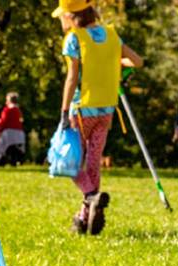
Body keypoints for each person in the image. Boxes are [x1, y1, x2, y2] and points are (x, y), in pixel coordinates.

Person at [53, 0, 142, 235]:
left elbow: (72, 78)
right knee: (93, 164)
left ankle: (91, 196)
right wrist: (113, 64)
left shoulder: (75, 38)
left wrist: (63, 111)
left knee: (69, 163)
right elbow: (137, 61)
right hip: (107, 110)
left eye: (62, 16)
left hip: (83, 109)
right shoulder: (111, 35)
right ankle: (85, 217)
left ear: (71, 16)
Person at [0, 92, 26, 166]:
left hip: (8, 133)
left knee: (3, 148)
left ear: (9, 100)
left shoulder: (6, 110)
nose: (5, 102)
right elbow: (20, 121)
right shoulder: (18, 110)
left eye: (6, 99)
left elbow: (4, 122)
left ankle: (1, 162)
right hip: (19, 133)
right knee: (13, 149)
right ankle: (14, 162)